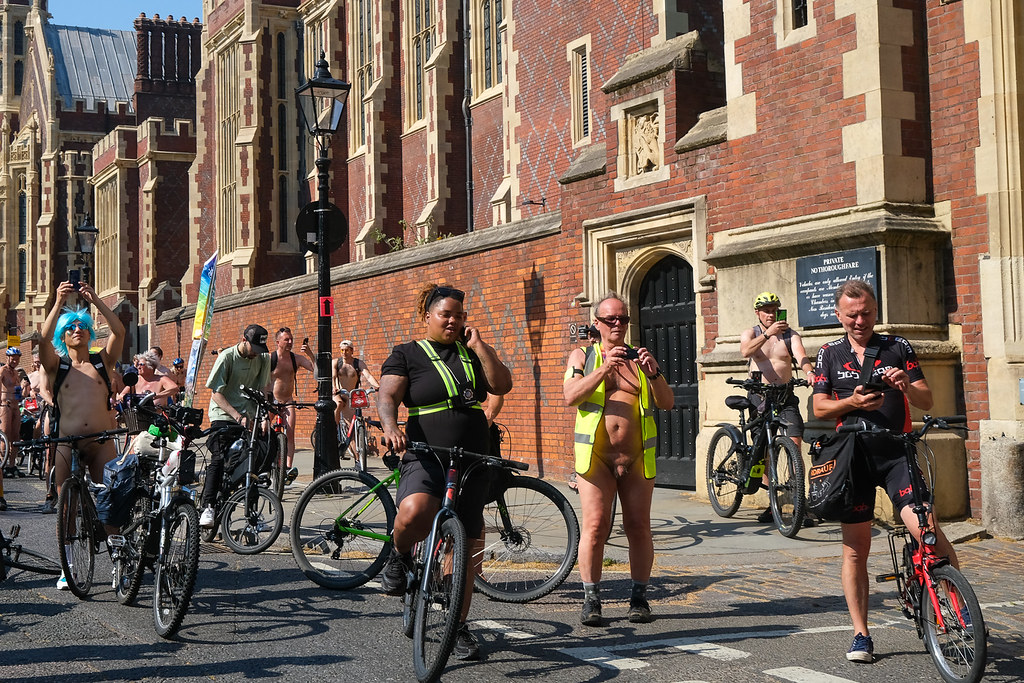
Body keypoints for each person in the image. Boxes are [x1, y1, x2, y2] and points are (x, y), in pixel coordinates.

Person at [812, 278, 958, 663]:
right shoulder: (829, 352)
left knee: (926, 530)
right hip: (853, 457)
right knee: (856, 549)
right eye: (852, 315)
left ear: (876, 311)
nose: (860, 321)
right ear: (839, 315)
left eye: (867, 313)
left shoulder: (897, 346)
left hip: (897, 452)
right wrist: (852, 402)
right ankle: (861, 634)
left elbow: (927, 400)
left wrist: (906, 385)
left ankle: (957, 605)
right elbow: (819, 408)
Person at [377, 284, 512, 662]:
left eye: (459, 315)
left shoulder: (472, 353)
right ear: (428, 317)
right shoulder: (408, 354)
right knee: (415, 511)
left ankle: (458, 623)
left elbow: (502, 384)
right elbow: (387, 395)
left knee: (466, 542)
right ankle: (399, 555)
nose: (453, 321)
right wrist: (390, 428)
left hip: (472, 457)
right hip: (425, 453)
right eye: (445, 314)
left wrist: (481, 346)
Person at [563, 292, 674, 626]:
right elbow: (570, 395)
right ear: (597, 323)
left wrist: (653, 373)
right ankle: (591, 600)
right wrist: (603, 369)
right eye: (610, 319)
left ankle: (639, 598)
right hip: (595, 458)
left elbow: (666, 402)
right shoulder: (582, 355)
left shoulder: (640, 360)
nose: (617, 324)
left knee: (639, 527)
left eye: (622, 319)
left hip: (637, 457)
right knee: (596, 527)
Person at [39, 280, 126, 588]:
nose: (77, 329)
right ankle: (68, 566)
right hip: (66, 442)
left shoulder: (103, 362)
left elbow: (119, 332)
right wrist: (58, 302)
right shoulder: (57, 366)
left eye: (82, 326)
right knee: (67, 505)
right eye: (71, 327)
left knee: (110, 503)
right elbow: (42, 340)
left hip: (101, 442)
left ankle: (119, 563)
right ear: (65, 336)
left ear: (90, 333)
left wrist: (97, 300)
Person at [739, 291, 815, 523]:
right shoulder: (751, 333)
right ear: (758, 313)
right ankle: (773, 503)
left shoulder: (790, 335)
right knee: (763, 453)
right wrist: (767, 335)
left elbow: (801, 356)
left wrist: (810, 372)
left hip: (784, 395)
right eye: (766, 311)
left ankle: (799, 503)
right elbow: (746, 351)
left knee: (794, 444)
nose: (771, 314)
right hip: (759, 397)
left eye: (774, 310)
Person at [198, 324, 272, 528]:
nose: (256, 354)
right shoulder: (227, 358)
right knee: (218, 458)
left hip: (249, 416)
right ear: (244, 340)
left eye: (260, 351)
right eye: (254, 349)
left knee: (255, 461)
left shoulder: (263, 358)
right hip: (224, 414)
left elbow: (263, 388)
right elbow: (216, 394)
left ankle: (253, 514)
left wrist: (264, 415)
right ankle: (208, 507)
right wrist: (237, 417)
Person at [266, 327, 314, 482]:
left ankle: (287, 468)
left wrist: (310, 354)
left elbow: (317, 372)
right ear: (278, 341)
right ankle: (264, 464)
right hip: (271, 401)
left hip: (288, 401)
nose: (290, 342)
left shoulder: (296, 359)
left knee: (291, 433)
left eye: (291, 339)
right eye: (286, 339)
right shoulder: (270, 358)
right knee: (263, 431)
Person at [332, 339, 380, 455]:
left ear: (352, 351)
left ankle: (358, 459)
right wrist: (334, 387)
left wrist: (378, 386)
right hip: (339, 393)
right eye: (342, 350)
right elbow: (333, 377)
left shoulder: (358, 363)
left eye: (347, 350)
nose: (344, 353)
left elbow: (368, 376)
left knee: (352, 429)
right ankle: (334, 431)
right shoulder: (336, 363)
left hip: (351, 396)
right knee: (338, 404)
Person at [0, 347, 20, 510]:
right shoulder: (2, 371)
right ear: (7, 358)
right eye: (13, 358)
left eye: (17, 358)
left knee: (15, 437)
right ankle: (4, 464)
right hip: (4, 405)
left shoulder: (16, 373)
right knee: (5, 436)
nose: (15, 360)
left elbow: (18, 390)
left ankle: (12, 465)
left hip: (16, 406)